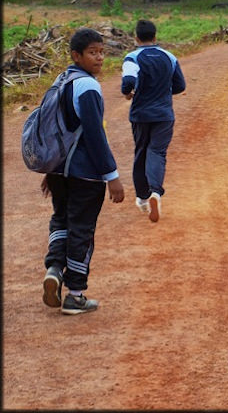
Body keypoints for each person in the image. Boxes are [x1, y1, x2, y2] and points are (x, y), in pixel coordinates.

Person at [41, 28, 125, 314]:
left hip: (58, 169)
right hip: (85, 173)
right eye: (92, 53)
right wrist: (111, 176)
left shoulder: (61, 80)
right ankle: (75, 295)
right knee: (82, 229)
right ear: (76, 56)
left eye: (101, 52)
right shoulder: (87, 86)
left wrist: (50, 168)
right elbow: (94, 134)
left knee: (61, 220)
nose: (99, 58)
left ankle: (54, 269)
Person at [121, 19, 186, 223]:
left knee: (141, 152)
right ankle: (156, 192)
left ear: (136, 38)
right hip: (164, 114)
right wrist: (163, 91)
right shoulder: (169, 57)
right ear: (155, 37)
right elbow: (180, 86)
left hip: (141, 114)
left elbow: (128, 82)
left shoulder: (132, 58)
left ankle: (142, 197)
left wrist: (129, 92)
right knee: (157, 152)